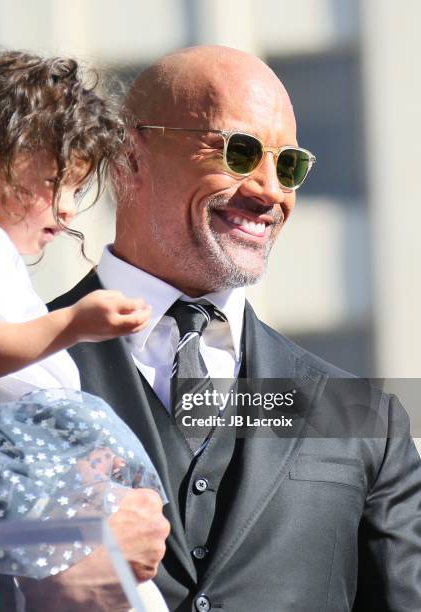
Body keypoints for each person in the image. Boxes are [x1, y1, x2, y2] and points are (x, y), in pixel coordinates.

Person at [49, 45, 421, 611]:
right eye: (240, 153)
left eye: (288, 165)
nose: (271, 190)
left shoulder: (366, 419)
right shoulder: (0, 363)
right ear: (128, 157)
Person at [0, 48, 170, 604]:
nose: (66, 211)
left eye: (77, 192)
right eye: (55, 183)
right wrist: (73, 324)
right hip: (10, 494)